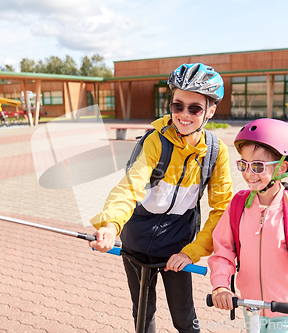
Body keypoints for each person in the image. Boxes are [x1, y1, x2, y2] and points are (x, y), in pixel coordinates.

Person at [89, 63, 233, 332]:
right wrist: (110, 225)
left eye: (195, 108)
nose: (184, 115)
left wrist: (192, 252)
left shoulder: (215, 151)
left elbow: (221, 210)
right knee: (143, 313)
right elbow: (129, 187)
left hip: (178, 246)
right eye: (177, 106)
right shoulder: (155, 141)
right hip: (136, 239)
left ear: (210, 111)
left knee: (184, 318)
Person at [208, 118, 288, 332]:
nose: (248, 173)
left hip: (287, 310)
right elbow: (223, 251)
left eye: (258, 166)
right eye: (243, 164)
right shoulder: (238, 206)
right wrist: (220, 285)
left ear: (282, 167)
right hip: (251, 307)